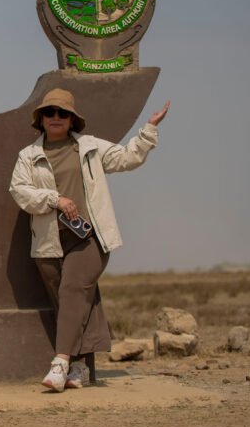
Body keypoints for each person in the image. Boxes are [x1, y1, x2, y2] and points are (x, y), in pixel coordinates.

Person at [9, 88, 169, 392]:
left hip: (90, 238)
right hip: (49, 242)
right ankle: (81, 368)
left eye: (63, 113)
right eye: (50, 112)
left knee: (72, 289)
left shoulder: (90, 147)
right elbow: (20, 192)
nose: (56, 117)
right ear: (41, 119)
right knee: (72, 302)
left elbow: (127, 158)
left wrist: (149, 129)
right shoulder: (27, 156)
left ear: (72, 120)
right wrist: (55, 199)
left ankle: (60, 364)